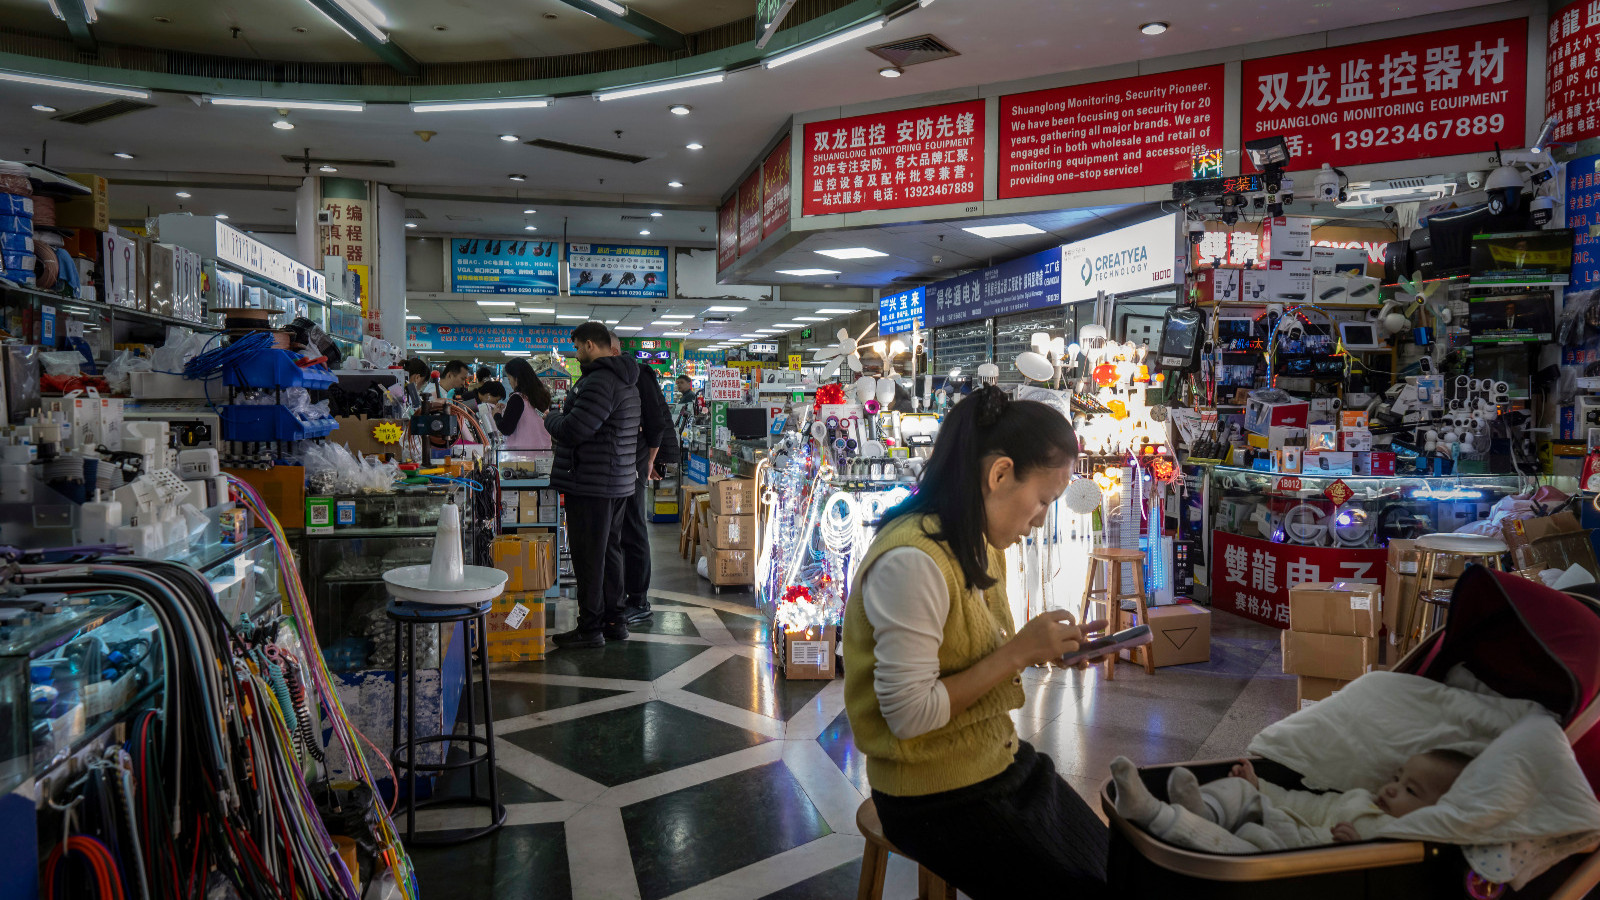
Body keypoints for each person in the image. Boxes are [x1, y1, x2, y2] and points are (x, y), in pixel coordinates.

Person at [843, 384, 1110, 898]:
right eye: (1042, 502)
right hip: (930, 795)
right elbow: (909, 715)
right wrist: (1020, 651)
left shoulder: (978, 544)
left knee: (1113, 863)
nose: (1039, 522)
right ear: (1000, 474)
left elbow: (974, 660)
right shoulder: (913, 562)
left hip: (991, 763)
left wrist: (1047, 649)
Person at [1109, 749, 1472, 853]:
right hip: (1280, 818)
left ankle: (1154, 813)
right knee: (1240, 791)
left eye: (1411, 791)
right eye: (1397, 778)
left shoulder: (1403, 838)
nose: (1392, 788)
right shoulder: (1360, 798)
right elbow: (1304, 803)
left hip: (1287, 847)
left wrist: (1359, 849)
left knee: (1239, 844)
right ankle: (1201, 809)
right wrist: (1259, 786)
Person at [545, 322, 640, 648]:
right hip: (614, 481)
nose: (574, 354)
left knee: (589, 557)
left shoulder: (600, 380)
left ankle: (590, 628)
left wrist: (550, 417)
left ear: (589, 345)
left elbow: (574, 428)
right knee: (609, 553)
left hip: (592, 483)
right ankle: (615, 621)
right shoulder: (625, 379)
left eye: (576, 347)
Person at [616, 349, 675, 625]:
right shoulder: (620, 377)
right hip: (625, 463)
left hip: (636, 462)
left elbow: (656, 422)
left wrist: (650, 461)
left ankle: (638, 599)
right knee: (625, 530)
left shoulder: (639, 375)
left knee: (634, 528)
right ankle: (628, 595)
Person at [497, 358, 553, 452]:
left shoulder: (517, 398)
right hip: (543, 454)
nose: (510, 383)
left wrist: (497, 414)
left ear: (516, 378)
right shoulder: (541, 397)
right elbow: (536, 415)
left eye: (509, 378)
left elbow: (506, 429)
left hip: (521, 457)